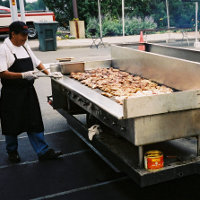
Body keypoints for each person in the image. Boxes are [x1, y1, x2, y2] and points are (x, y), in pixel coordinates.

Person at [0, 21, 63, 163]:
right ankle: (12, 151)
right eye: (22, 35)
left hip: (28, 92)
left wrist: (49, 74)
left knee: (34, 121)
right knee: (12, 123)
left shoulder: (26, 47)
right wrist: (23, 75)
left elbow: (37, 63)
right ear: (13, 34)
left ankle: (43, 151)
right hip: (12, 94)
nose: (25, 38)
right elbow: (2, 73)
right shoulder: (4, 50)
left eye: (26, 35)